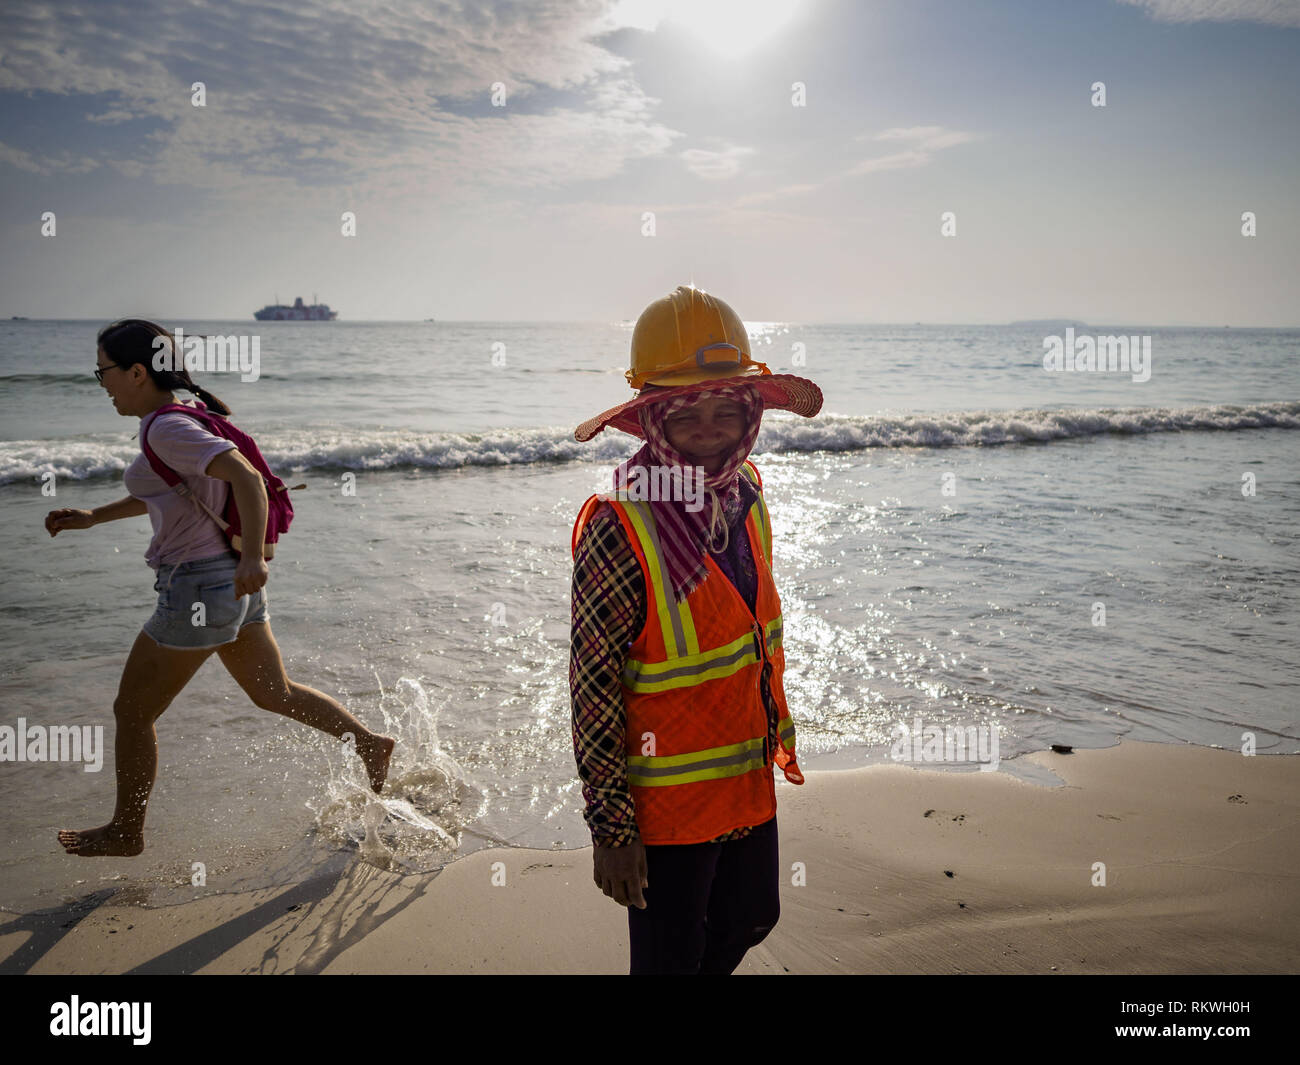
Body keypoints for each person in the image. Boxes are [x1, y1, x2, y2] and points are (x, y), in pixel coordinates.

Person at [46, 319, 395, 858]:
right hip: (228, 579)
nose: (102, 383)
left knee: (132, 712)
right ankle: (370, 745)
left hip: (204, 587)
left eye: (104, 372)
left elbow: (246, 481)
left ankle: (127, 830)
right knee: (273, 694)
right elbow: (173, 489)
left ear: (137, 372)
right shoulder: (184, 419)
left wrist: (255, 556)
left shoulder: (166, 427)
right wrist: (94, 517)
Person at [569, 286, 823, 974]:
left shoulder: (747, 493)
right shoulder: (619, 524)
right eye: (690, 415)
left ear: (751, 413)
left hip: (741, 776)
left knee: (753, 917)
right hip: (664, 807)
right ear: (655, 421)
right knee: (669, 961)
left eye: (727, 409)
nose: (711, 428)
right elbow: (593, 686)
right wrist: (612, 828)